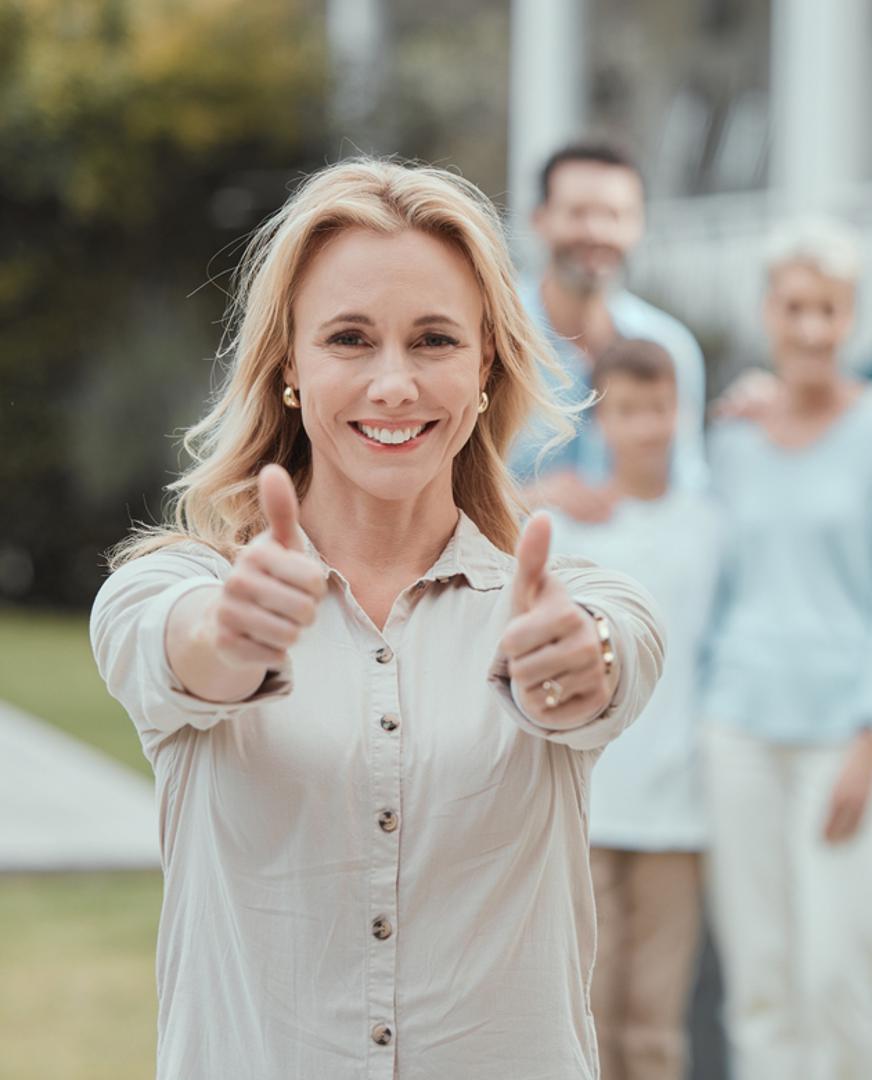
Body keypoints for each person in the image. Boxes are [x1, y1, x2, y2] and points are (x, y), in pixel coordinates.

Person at [88, 158, 665, 1080]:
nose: (393, 383)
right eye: (349, 339)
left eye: (433, 340)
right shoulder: (169, 590)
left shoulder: (574, 599)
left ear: (485, 368)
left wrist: (580, 660)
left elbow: (606, 659)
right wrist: (230, 638)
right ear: (288, 367)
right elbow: (181, 648)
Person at [703, 218, 872, 1080]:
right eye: (794, 307)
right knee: (760, 980)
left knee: (837, 970)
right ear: (768, 312)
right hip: (738, 729)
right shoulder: (731, 441)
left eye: (829, 311)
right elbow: (712, 587)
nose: (810, 328)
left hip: (848, 736)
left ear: (851, 319)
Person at [547, 338, 721, 1080]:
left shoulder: (711, 526)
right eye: (626, 411)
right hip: (588, 801)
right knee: (586, 1003)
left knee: (656, 1017)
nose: (645, 427)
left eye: (658, 408)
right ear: (599, 420)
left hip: (680, 806)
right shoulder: (568, 525)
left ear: (680, 410)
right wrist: (531, 496)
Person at [510, 140, 708, 519]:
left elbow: (687, 485)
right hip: (511, 570)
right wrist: (527, 499)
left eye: (615, 215)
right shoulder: (495, 337)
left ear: (638, 225)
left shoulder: (671, 347)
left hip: (635, 571)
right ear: (540, 219)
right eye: (578, 213)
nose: (596, 232)